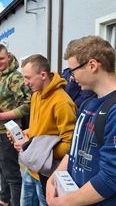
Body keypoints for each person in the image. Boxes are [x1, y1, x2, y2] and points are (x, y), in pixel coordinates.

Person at [46, 36, 116, 206]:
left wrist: (64, 202)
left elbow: (110, 178)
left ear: (92, 65)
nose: (71, 77)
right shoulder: (87, 103)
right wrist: (54, 177)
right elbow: (74, 150)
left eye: (73, 70)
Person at [12, 54, 76, 206]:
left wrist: (35, 149)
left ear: (43, 75)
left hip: (48, 173)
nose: (25, 83)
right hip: (31, 169)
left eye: (28, 78)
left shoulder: (62, 102)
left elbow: (71, 145)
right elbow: (39, 129)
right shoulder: (36, 95)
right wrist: (24, 133)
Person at [0, 44, 31, 206]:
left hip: (7, 133)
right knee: (0, 168)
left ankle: (14, 202)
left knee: (12, 175)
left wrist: (1, 115)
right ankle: (4, 200)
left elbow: (27, 104)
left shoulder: (15, 78)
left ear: (9, 56)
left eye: (1, 58)